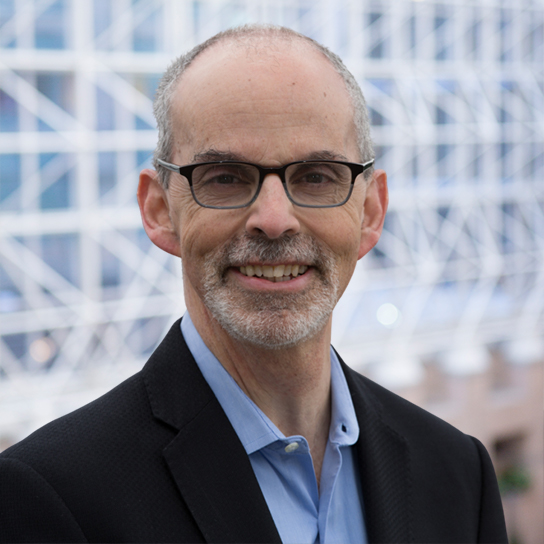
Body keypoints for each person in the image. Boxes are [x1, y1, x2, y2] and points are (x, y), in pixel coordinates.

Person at [0, 25, 507, 543]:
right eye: (224, 177)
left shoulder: (457, 472)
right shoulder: (47, 498)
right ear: (159, 210)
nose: (274, 220)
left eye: (316, 176)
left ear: (371, 212)